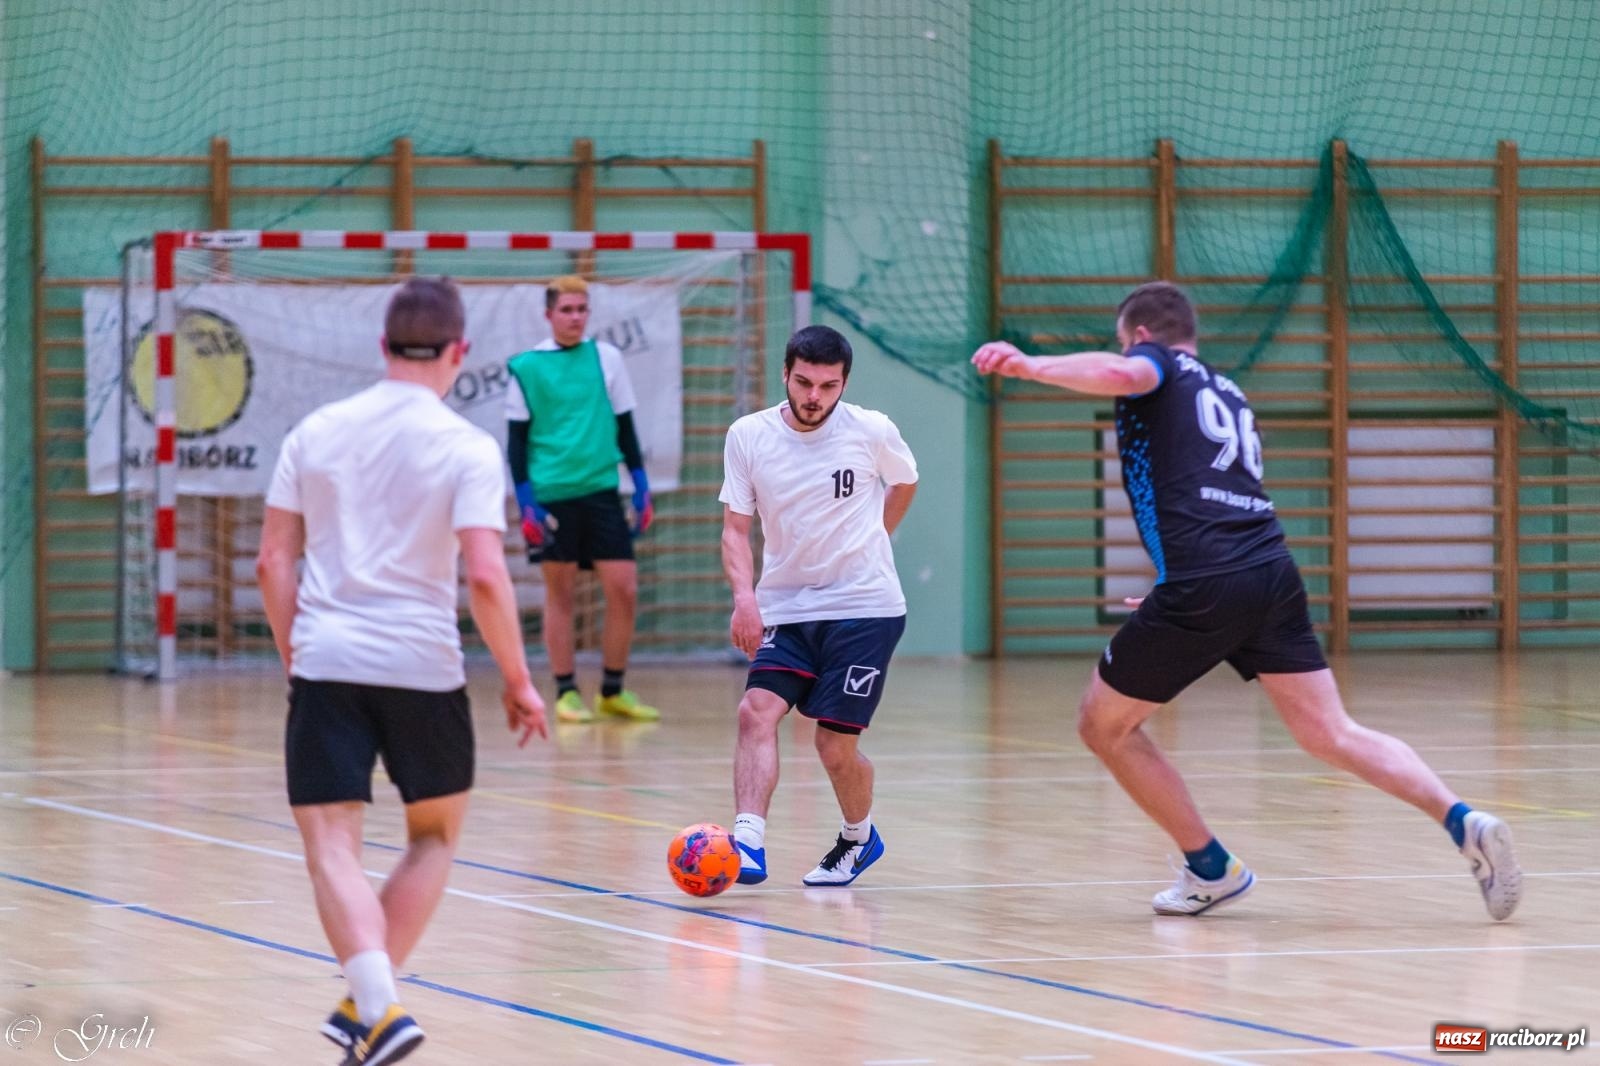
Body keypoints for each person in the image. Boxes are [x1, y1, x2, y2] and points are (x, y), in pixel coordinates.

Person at [972, 281, 1523, 921]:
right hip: (1269, 571)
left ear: (1142, 335)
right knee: (1331, 731)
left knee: (1104, 725)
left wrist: (1031, 364)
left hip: (1208, 579)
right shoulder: (1226, 389)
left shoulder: (1159, 365)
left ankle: (1212, 868)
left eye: (1127, 343)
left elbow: (1122, 372)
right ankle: (1463, 820)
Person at [257, 277, 548, 1065]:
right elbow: (486, 576)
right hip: (425, 667)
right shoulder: (465, 446)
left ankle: (371, 1006)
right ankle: (378, 1010)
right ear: (461, 352)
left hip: (328, 663)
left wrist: (296, 651)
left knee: (332, 847)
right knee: (432, 839)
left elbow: (272, 560)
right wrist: (520, 681)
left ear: (382, 347)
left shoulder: (316, 431)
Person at [720, 324, 919, 887]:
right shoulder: (748, 436)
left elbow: (904, 483)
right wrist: (745, 598)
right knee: (755, 710)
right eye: (804, 382)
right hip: (786, 605)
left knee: (833, 746)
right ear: (785, 374)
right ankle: (748, 842)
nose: (814, 397)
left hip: (866, 606)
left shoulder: (871, 430)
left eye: (828, 386)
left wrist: (876, 537)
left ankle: (859, 838)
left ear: (844, 384)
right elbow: (736, 529)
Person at [506, 275, 659, 724]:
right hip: (553, 495)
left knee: (624, 588)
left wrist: (641, 483)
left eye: (582, 309)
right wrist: (527, 503)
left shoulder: (607, 358)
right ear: (549, 314)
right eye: (567, 310)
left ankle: (613, 690)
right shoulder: (526, 367)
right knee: (562, 593)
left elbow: (625, 427)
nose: (575, 317)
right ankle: (566, 691)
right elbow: (516, 443)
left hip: (601, 492)